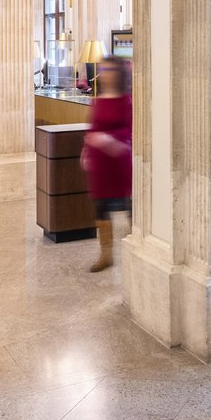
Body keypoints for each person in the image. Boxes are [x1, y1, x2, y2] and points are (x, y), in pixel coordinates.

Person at [80, 56, 132, 272]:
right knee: (101, 207)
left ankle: (137, 249)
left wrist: (110, 140)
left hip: (119, 163)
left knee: (128, 206)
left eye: (110, 69)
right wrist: (86, 150)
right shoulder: (98, 99)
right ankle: (106, 254)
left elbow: (130, 131)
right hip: (100, 164)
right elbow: (93, 126)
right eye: (104, 69)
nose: (106, 73)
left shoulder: (126, 100)